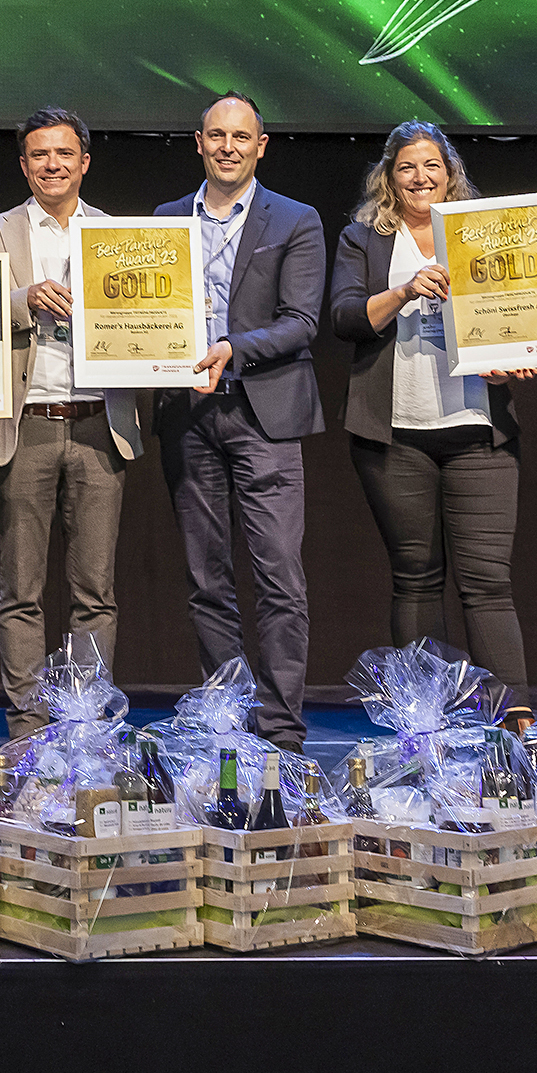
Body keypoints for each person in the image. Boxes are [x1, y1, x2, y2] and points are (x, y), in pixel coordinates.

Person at [0, 108, 146, 740]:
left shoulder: (119, 237)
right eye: (39, 155)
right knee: (21, 589)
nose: (52, 165)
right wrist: (24, 301)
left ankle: (87, 724)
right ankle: (28, 727)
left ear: (84, 162)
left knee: (95, 591)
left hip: (101, 426)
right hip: (26, 425)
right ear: (24, 165)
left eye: (64, 154)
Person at [155, 92, 327, 752]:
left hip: (264, 412)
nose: (228, 146)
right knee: (206, 580)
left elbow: (301, 321)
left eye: (241, 136)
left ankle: (280, 729)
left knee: (280, 577)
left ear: (261, 145)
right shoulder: (165, 220)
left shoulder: (295, 219)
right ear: (198, 141)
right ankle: (226, 722)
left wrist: (233, 347)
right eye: (216, 135)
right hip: (188, 413)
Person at [328, 122, 527, 687]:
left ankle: (509, 727)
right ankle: (428, 726)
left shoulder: (484, 234)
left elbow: (517, 315)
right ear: (389, 178)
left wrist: (517, 354)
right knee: (415, 576)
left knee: (489, 580)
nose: (421, 177)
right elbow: (345, 319)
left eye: (432, 166)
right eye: (407, 167)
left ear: (450, 173)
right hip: (396, 434)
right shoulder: (363, 239)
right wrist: (404, 290)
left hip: (478, 430)